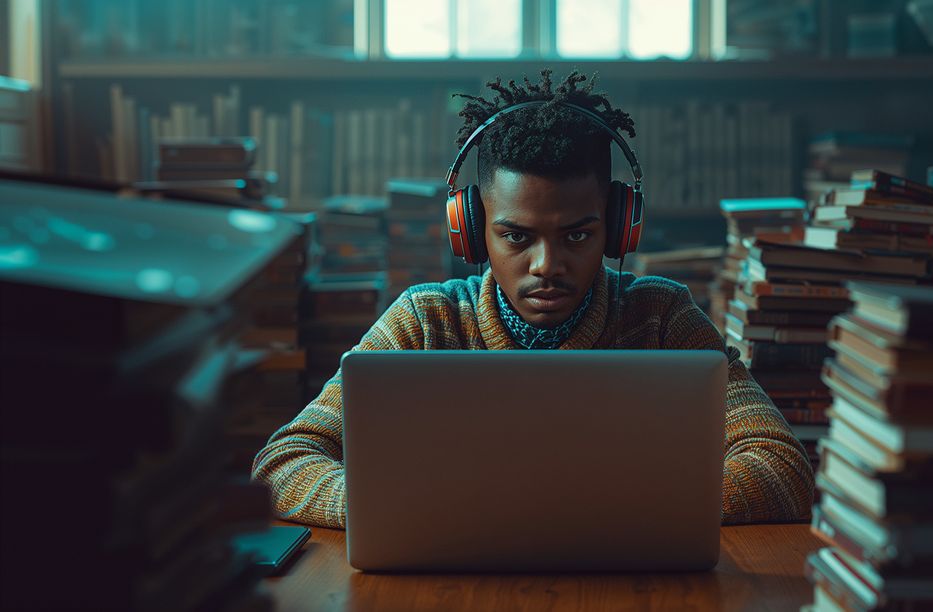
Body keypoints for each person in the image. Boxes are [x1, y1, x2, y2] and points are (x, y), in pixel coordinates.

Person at [252, 69, 814, 529]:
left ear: (619, 227)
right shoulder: (425, 322)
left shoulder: (661, 317)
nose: (547, 266)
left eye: (577, 234)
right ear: (471, 230)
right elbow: (281, 463)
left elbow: (782, 468)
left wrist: (590, 512)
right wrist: (393, 507)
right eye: (517, 236)